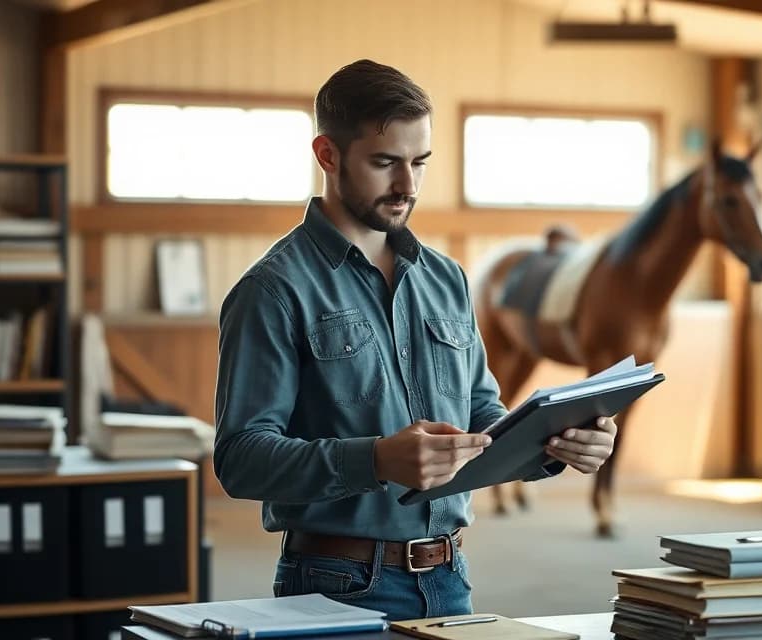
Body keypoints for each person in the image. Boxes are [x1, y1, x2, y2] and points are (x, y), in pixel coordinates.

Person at [213, 58, 618, 621]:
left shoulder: (446, 278)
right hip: (334, 583)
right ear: (328, 155)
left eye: (420, 163)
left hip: (450, 577)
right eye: (385, 163)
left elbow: (482, 414)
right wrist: (375, 459)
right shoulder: (273, 290)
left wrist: (557, 446)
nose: (407, 185)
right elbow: (240, 460)